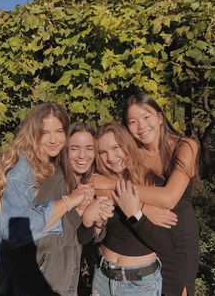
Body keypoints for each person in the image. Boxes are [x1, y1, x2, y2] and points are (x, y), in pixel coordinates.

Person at [91, 94, 200, 296]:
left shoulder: (185, 146)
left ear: (160, 118)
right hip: (145, 234)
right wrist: (142, 208)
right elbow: (96, 186)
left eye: (147, 117)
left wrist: (114, 184)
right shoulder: (133, 152)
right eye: (133, 122)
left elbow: (169, 198)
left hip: (178, 233)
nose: (141, 126)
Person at [0, 103, 90, 296]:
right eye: (45, 132)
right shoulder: (21, 172)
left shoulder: (52, 161)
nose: (53, 139)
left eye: (59, 131)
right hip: (20, 275)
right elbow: (16, 231)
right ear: (33, 134)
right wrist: (69, 202)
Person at [78, 122, 176, 296]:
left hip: (139, 285)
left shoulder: (153, 184)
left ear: (127, 145)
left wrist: (135, 214)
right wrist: (92, 221)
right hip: (102, 277)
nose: (111, 157)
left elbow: (167, 246)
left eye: (116, 147)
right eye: (102, 152)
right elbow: (85, 239)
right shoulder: (98, 184)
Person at [35, 121, 114, 296]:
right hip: (48, 280)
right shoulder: (55, 182)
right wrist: (77, 212)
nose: (82, 155)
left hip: (68, 280)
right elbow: (35, 235)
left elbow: (83, 237)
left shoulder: (88, 182)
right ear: (65, 151)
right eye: (75, 148)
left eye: (89, 148)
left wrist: (99, 222)